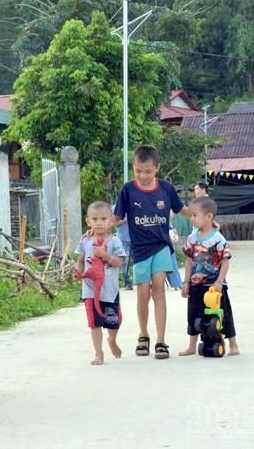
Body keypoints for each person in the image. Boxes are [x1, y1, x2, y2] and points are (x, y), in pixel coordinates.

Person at [114, 145, 189, 360]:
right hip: (139, 250)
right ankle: (143, 334)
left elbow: (181, 209)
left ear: (157, 168)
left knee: (158, 289)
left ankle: (161, 340)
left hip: (161, 245)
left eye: (148, 171)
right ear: (133, 168)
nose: (143, 175)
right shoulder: (127, 190)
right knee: (143, 293)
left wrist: (203, 217)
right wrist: (96, 228)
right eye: (138, 171)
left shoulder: (166, 188)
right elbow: (116, 218)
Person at [179, 197, 239, 356]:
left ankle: (233, 345)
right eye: (190, 215)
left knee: (224, 313)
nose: (191, 219)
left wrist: (220, 281)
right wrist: (186, 282)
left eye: (194, 215)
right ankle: (192, 346)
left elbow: (225, 262)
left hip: (215, 286)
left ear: (208, 217)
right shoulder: (192, 239)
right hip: (196, 285)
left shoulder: (218, 239)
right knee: (193, 314)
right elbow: (189, 262)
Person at [74, 201, 126, 365]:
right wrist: (77, 271)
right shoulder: (85, 241)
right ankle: (98, 353)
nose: (99, 222)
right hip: (90, 291)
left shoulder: (115, 241)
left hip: (110, 290)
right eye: (95, 219)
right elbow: (80, 261)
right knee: (94, 324)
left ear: (111, 221)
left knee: (113, 323)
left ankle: (112, 340)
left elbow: (119, 262)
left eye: (103, 219)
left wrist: (105, 255)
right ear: (88, 221)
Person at [111, 204, 132, 290]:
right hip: (123, 238)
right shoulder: (115, 208)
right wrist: (126, 220)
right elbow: (114, 223)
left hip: (136, 237)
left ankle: (143, 281)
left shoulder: (135, 204)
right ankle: (128, 282)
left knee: (140, 260)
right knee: (125, 261)